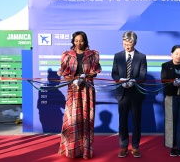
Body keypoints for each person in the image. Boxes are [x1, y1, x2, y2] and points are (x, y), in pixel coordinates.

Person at [57, 31, 102, 159]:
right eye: (76, 40)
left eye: (81, 40)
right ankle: (71, 149)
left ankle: (85, 150)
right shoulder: (67, 55)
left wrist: (84, 77)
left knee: (86, 119)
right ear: (73, 41)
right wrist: (73, 80)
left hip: (87, 90)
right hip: (73, 90)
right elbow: (64, 75)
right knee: (72, 120)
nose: (78, 43)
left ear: (85, 41)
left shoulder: (93, 54)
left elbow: (95, 72)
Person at [111, 31, 147, 158]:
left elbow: (143, 75)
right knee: (123, 121)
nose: (127, 46)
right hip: (122, 93)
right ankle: (124, 147)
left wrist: (134, 81)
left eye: (130, 44)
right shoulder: (118, 56)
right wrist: (119, 80)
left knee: (136, 121)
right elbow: (114, 73)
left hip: (136, 93)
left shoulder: (141, 57)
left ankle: (136, 147)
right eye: (125, 44)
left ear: (135, 43)